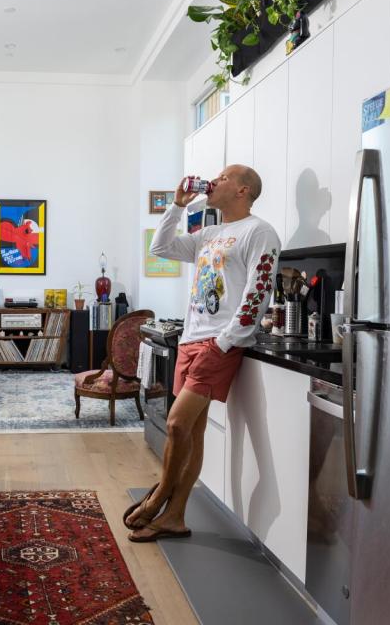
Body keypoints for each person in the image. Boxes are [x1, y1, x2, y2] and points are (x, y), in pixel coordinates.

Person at [125, 164, 281, 542]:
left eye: (224, 177)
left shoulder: (259, 232)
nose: (215, 180)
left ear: (243, 190)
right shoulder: (208, 234)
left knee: (177, 425)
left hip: (217, 344)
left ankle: (159, 496)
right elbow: (160, 247)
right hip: (191, 340)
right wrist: (177, 206)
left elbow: (258, 293)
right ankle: (175, 517)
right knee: (191, 432)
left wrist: (226, 341)